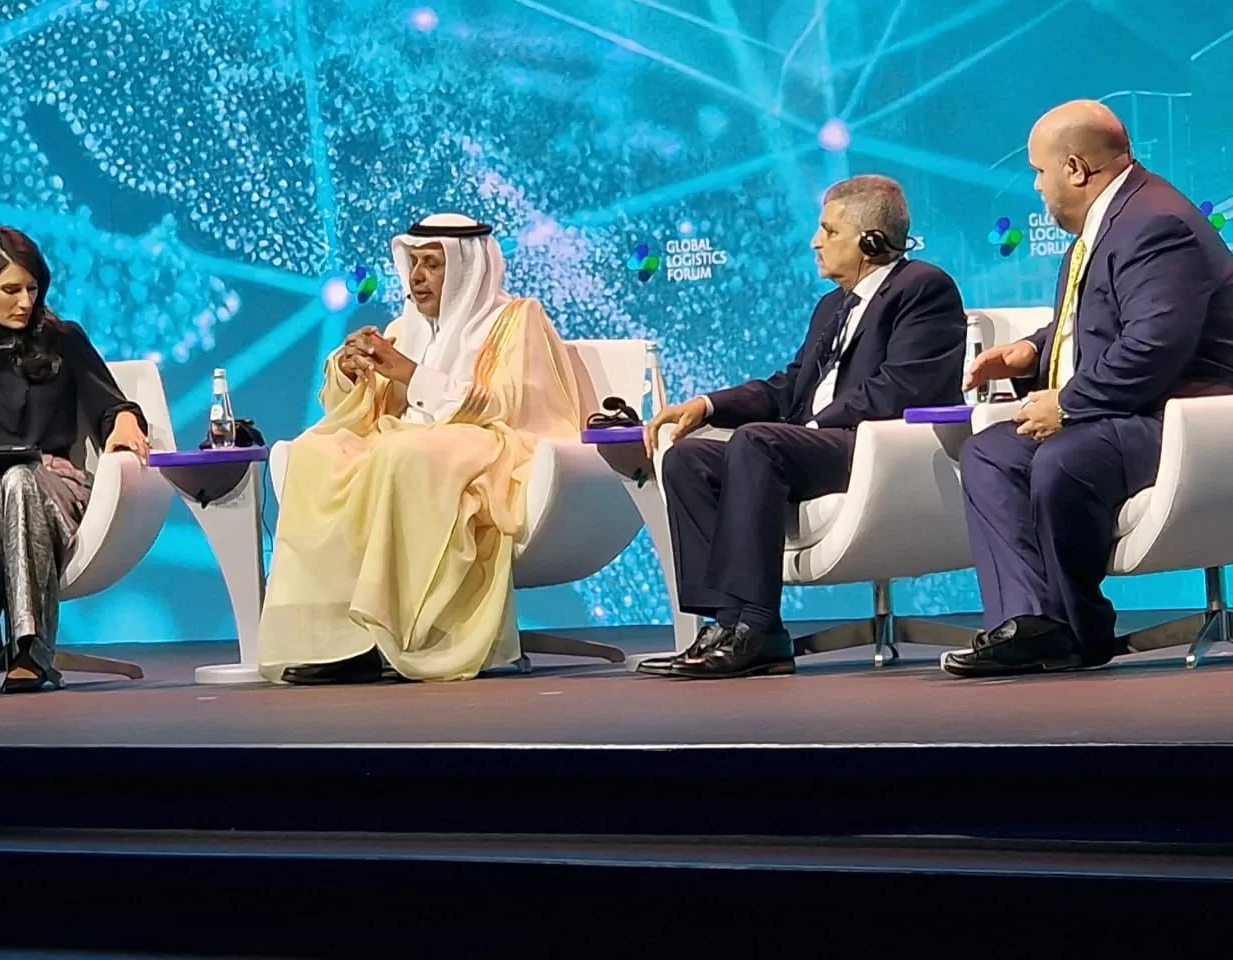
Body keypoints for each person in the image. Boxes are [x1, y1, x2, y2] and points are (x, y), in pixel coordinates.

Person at [944, 100, 1233, 678]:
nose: (1036, 186)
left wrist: (1067, 404)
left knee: (1063, 460)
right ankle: (1031, 623)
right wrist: (1033, 352)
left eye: (1039, 171)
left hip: (1180, 417)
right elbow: (1100, 320)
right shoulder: (1112, 220)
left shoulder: (1156, 223)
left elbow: (1153, 344)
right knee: (991, 453)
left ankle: (1079, 630)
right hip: (1127, 410)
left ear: (1075, 168)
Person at [639, 175, 967, 680]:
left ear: (871, 241)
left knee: (758, 442)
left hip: (875, 449)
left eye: (829, 231)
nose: (816, 242)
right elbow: (790, 387)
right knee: (687, 457)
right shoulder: (833, 306)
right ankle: (730, 623)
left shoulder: (922, 289)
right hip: (811, 444)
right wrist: (706, 406)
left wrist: (811, 426)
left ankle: (755, 624)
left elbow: (901, 389)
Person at [258, 213, 581, 685]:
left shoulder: (515, 319)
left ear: (466, 269)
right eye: (413, 263)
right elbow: (367, 406)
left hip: (488, 444)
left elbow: (505, 404)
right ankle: (343, 642)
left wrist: (410, 373)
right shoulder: (405, 326)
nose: (417, 277)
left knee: (401, 456)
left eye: (433, 264)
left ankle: (396, 637)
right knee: (315, 453)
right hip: (409, 440)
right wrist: (350, 369)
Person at [0, 226, 150, 695]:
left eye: (32, 288)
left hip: (49, 483)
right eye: (11, 290)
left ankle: (31, 649)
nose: (25, 301)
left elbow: (112, 405)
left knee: (19, 480)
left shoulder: (63, 340)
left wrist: (125, 421)